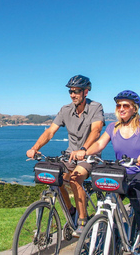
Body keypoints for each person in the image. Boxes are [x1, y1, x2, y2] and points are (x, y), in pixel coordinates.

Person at [26, 74, 105, 237]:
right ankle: (71, 210)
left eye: (76, 91)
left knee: (75, 178)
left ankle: (82, 222)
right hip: (70, 156)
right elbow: (50, 132)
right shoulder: (65, 110)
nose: (73, 95)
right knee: (55, 177)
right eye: (71, 91)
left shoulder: (96, 107)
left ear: (86, 92)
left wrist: (83, 149)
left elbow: (96, 130)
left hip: (89, 157)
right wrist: (35, 147)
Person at [73, 90, 140, 240]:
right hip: (121, 172)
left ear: (134, 108)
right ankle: (112, 231)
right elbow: (100, 143)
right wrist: (85, 152)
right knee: (108, 195)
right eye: (119, 105)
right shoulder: (113, 127)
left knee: (136, 193)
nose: (121, 108)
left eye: (126, 105)